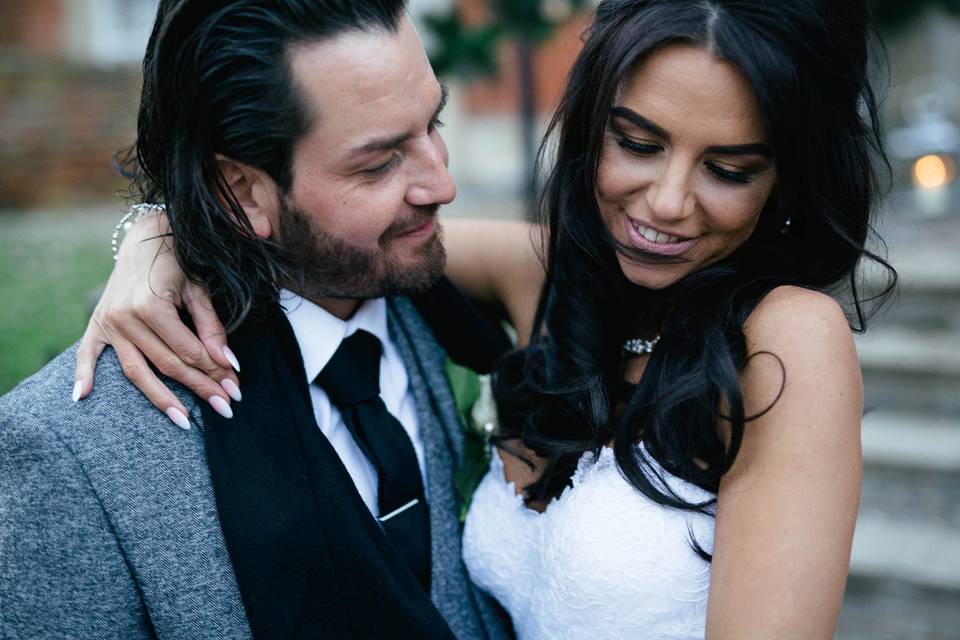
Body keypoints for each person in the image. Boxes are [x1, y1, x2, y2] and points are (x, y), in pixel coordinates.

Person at [72, 0, 896, 638]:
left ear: (784, 179)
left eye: (728, 168)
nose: (669, 204)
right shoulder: (557, 277)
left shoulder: (786, 342)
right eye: (638, 144)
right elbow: (330, 233)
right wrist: (156, 234)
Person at [0, 1, 515, 638]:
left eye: (432, 122)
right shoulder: (67, 453)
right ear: (241, 190)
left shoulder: (422, 291)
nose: (442, 184)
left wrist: (156, 227)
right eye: (380, 163)